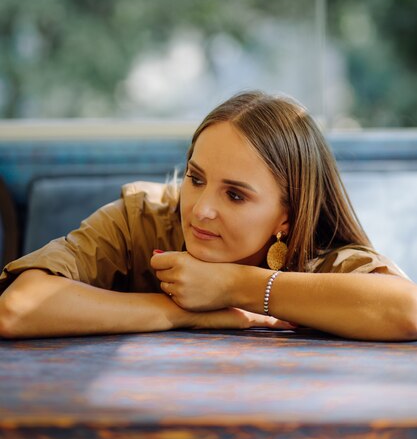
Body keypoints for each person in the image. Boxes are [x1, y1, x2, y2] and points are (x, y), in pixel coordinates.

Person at [0, 91, 416, 341]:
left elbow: (407, 311)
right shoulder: (142, 219)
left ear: (285, 218)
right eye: (195, 179)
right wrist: (185, 313)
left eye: (235, 195)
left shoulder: (318, 257)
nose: (200, 209)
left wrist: (237, 286)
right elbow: (18, 307)